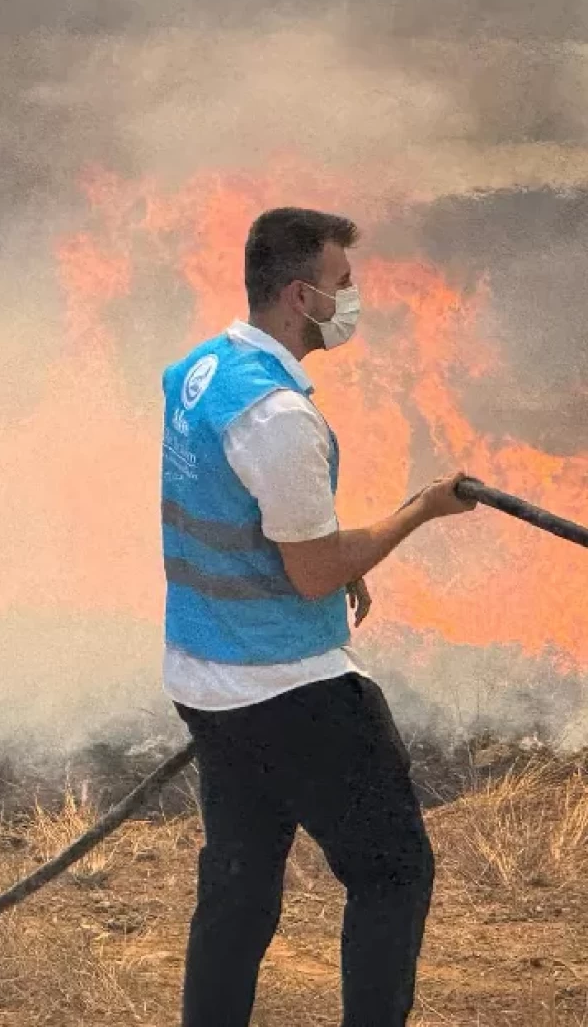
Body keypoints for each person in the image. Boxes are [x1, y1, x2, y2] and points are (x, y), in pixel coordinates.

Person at [160, 208, 476, 1026]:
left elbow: (245, 522)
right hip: (292, 687)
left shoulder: (200, 371)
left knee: (240, 885)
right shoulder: (279, 417)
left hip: (205, 676)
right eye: (343, 284)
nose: (353, 297)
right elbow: (313, 571)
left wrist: (334, 564)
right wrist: (418, 513)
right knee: (393, 871)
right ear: (301, 296)